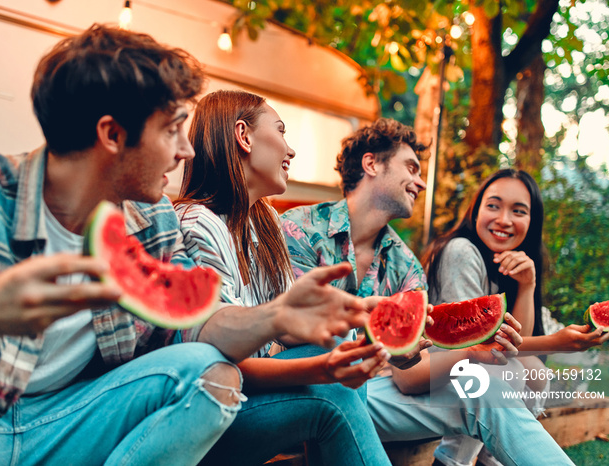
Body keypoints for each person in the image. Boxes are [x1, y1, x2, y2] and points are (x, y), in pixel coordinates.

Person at [0, 25, 370, 466]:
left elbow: (201, 324)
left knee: (209, 371)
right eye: (172, 130)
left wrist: (275, 315)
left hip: (75, 419)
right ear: (112, 135)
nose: (187, 151)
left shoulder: (152, 223)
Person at [281, 118, 575, 466]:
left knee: (486, 390)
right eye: (411, 167)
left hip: (373, 396)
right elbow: (291, 334)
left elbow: (409, 377)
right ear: (372, 163)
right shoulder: (298, 228)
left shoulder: (406, 266)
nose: (420, 182)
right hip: (304, 388)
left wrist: (474, 353)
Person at [175, 89, 426, 465]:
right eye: (281, 131)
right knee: (333, 395)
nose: (290, 150)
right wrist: (323, 368)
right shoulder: (198, 225)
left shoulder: (265, 224)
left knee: (339, 356)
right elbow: (220, 365)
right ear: (244, 136)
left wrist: (364, 321)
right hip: (205, 409)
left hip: (246, 400)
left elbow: (292, 329)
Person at [422, 168, 609, 466]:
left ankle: (490, 459)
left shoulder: (507, 261)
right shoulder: (461, 250)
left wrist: (527, 285)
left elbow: (516, 341)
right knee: (500, 373)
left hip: (473, 365)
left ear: (531, 222)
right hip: (435, 366)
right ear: (475, 212)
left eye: (518, 211)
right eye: (493, 205)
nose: (504, 220)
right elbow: (475, 343)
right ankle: (450, 461)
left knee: (533, 373)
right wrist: (557, 342)